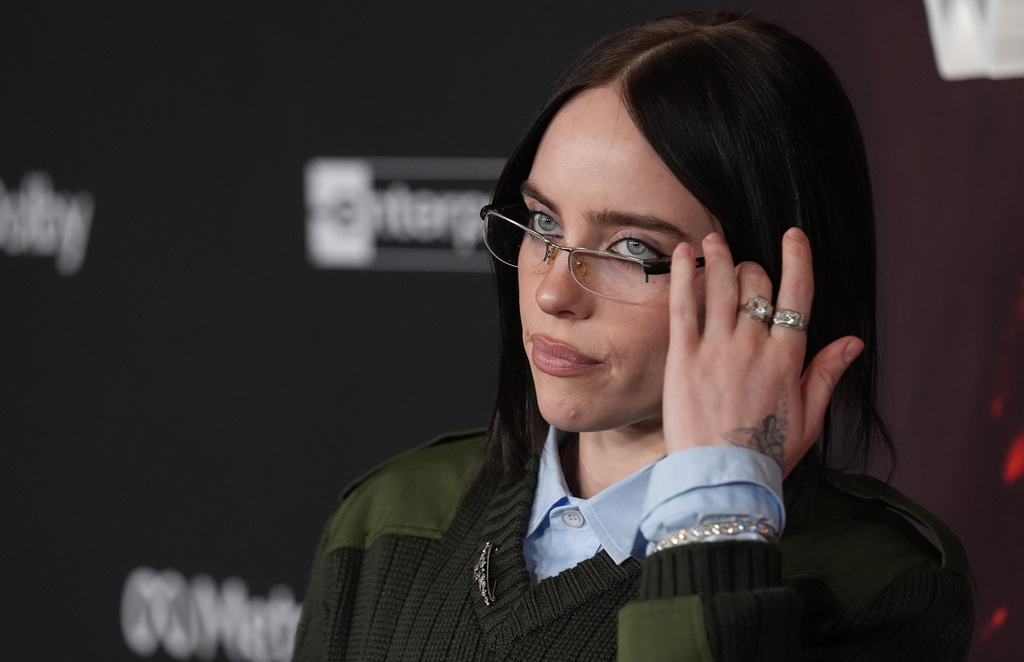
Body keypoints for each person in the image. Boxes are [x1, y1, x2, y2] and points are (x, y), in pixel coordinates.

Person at [292, 11, 975, 661]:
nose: (554, 292)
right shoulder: (392, 517)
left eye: (629, 249)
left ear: (767, 281)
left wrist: (721, 512)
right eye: (545, 225)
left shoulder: (880, 589)